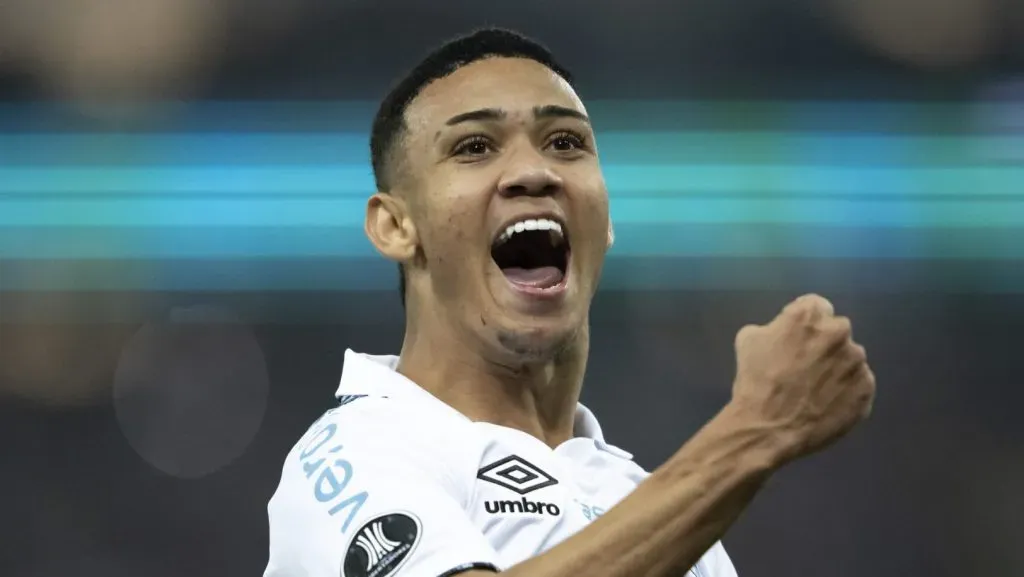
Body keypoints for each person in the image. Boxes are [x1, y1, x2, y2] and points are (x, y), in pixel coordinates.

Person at [263, 28, 876, 577]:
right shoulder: (352, 456)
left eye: (565, 142)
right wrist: (754, 431)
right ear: (396, 227)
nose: (534, 171)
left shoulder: (655, 510)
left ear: (605, 222)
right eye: (475, 146)